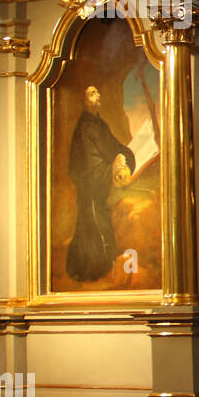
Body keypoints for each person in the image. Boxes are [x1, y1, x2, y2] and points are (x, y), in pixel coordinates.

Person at [66, 86, 135, 282]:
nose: (98, 95)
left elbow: (113, 147)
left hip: (97, 188)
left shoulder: (99, 124)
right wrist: (111, 168)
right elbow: (88, 164)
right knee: (94, 222)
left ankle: (103, 264)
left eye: (98, 92)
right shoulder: (84, 129)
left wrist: (125, 155)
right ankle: (97, 267)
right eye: (92, 93)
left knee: (100, 220)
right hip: (89, 189)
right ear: (83, 101)